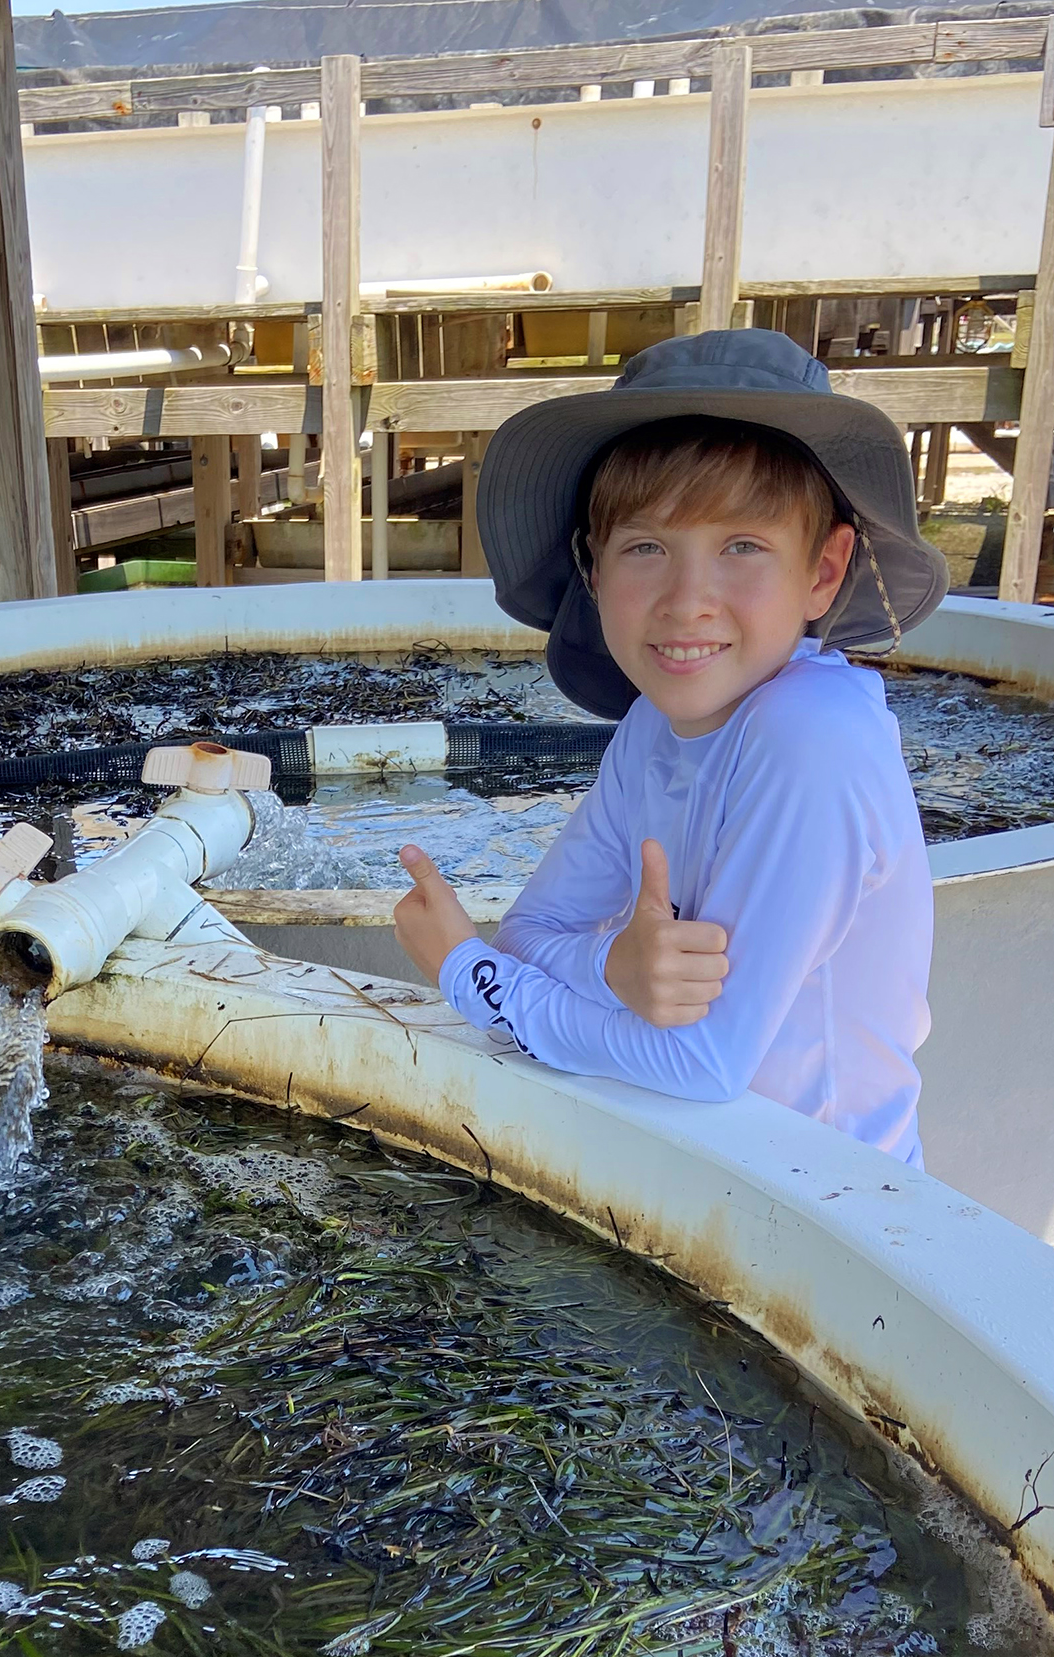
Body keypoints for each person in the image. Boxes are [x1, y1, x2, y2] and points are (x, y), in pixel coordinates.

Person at [392, 329, 949, 1166]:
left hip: (837, 1212)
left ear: (825, 571)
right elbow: (533, 931)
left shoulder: (812, 737)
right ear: (593, 566)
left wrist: (468, 978)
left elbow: (704, 1061)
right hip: (712, 1179)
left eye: (743, 548)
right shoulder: (656, 724)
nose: (689, 602)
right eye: (647, 547)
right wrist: (612, 966)